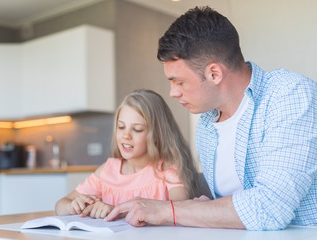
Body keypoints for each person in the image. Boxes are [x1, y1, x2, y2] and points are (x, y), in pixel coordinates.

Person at [106, 6, 317, 230]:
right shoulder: (207, 122)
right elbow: (227, 206)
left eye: (179, 82)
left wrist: (168, 209)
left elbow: (269, 208)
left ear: (214, 73)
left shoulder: (290, 94)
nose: (173, 93)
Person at [55, 89, 203, 218]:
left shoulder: (168, 169)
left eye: (137, 129)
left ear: (157, 134)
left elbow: (180, 210)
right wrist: (73, 206)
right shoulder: (107, 170)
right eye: (121, 127)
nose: (126, 136)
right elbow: (60, 205)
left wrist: (117, 211)